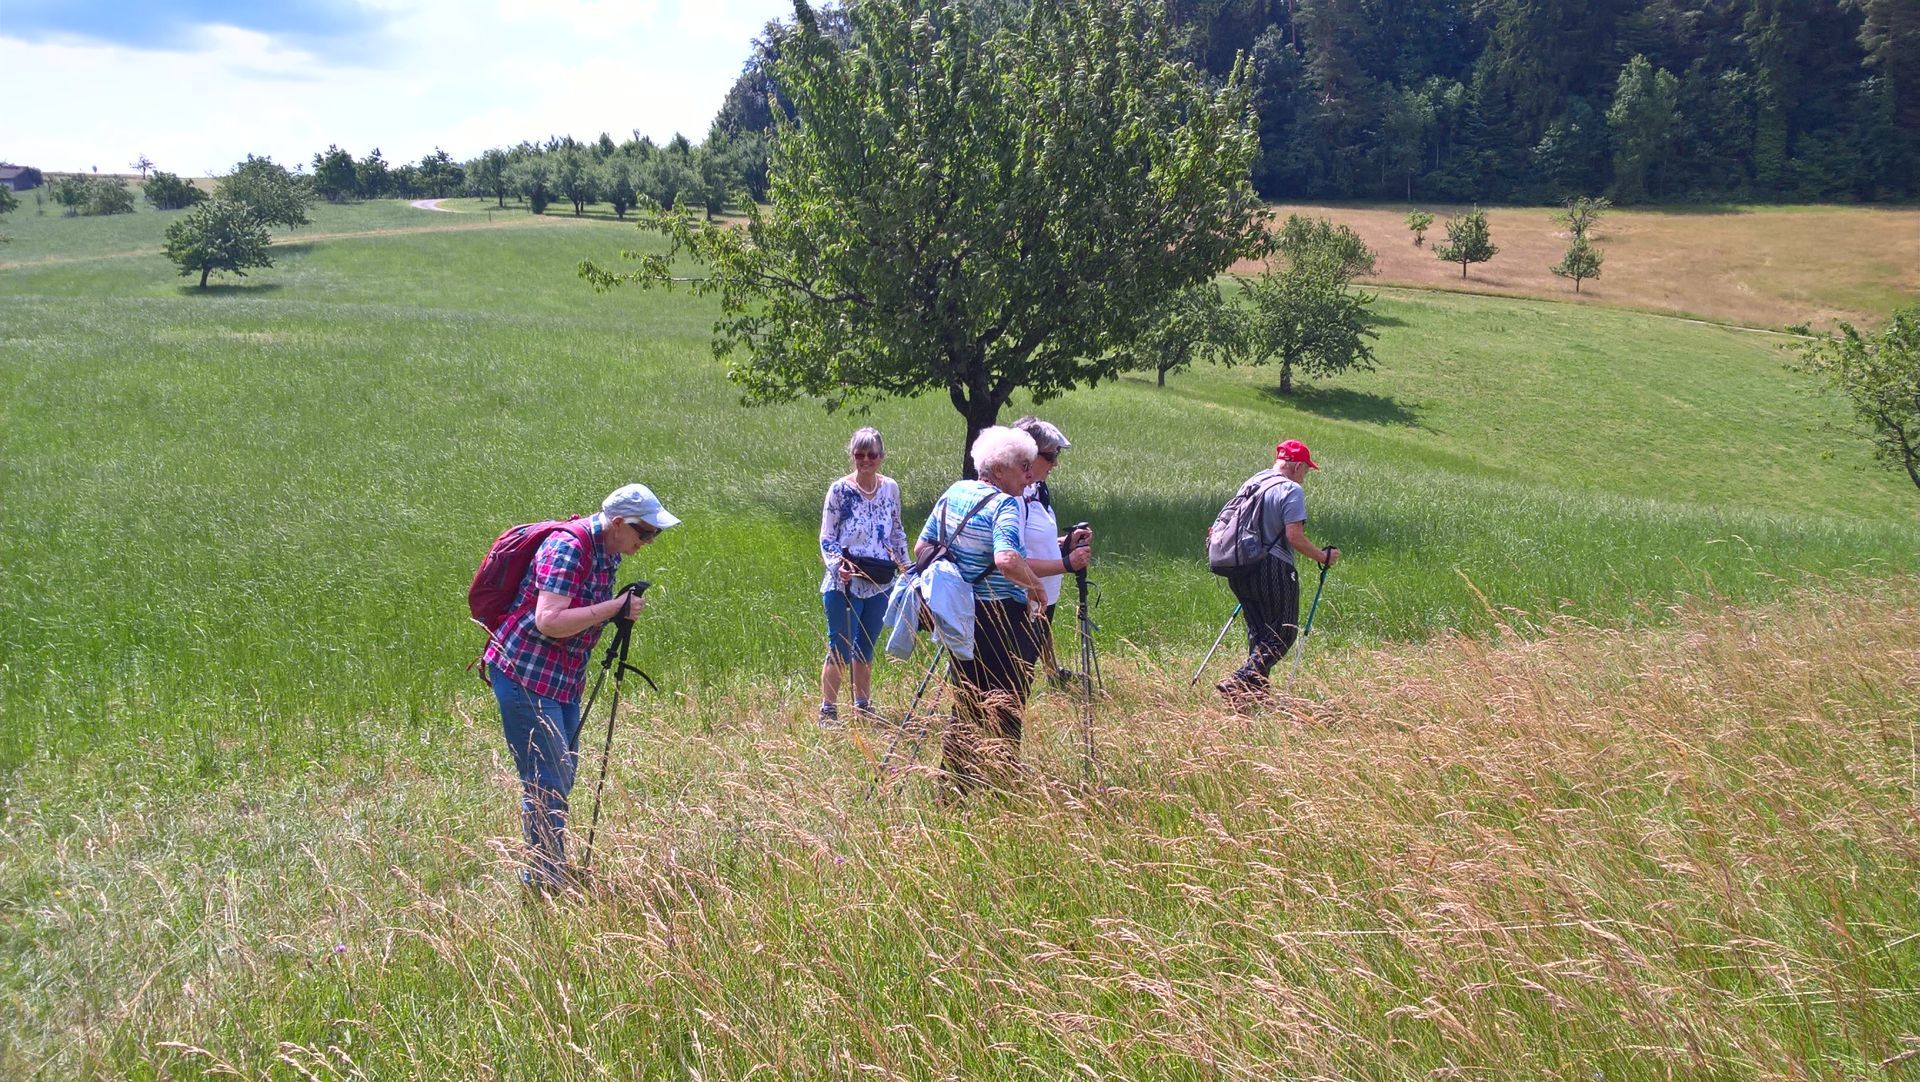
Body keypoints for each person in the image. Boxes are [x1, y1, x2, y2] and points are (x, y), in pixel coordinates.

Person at [483, 483, 679, 891]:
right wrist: (614, 608)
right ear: (619, 523)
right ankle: (544, 880)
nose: (648, 541)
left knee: (561, 773)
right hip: (525, 674)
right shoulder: (569, 548)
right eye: (645, 532)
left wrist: (614, 608)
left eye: (654, 534)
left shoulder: (608, 551)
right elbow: (549, 621)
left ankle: (548, 867)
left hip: (562, 678)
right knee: (547, 779)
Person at [914, 426, 1050, 794]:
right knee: (1006, 703)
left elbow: (922, 548)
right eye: (1024, 466)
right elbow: (1006, 559)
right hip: (1000, 618)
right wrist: (1035, 586)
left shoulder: (955, 491)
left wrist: (960, 577)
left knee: (966, 702)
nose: (1029, 475)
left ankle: (953, 789)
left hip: (960, 617)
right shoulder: (1005, 504)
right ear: (1000, 467)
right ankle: (1002, 785)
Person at [1216, 439, 1338, 702]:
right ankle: (1238, 680)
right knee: (1284, 633)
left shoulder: (1253, 482)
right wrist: (1323, 556)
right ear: (1296, 466)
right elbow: (1294, 537)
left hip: (1240, 567)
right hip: (1273, 568)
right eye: (1306, 470)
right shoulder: (1291, 490)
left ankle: (1252, 698)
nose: (1305, 476)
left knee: (1261, 635)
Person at [817, 427, 908, 725]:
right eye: (859, 454)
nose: (865, 460)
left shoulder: (890, 488)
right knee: (840, 645)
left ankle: (863, 706)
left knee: (866, 644)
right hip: (845, 581)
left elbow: (896, 531)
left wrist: (908, 568)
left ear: (881, 456)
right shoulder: (839, 490)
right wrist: (837, 566)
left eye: (871, 454)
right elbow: (827, 536)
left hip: (880, 581)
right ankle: (828, 711)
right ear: (852, 455)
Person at [1011, 416, 1091, 684]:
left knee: (1024, 674)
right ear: (1028, 454)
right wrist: (1067, 564)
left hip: (1043, 596)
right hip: (1022, 599)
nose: (1055, 463)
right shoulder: (1015, 498)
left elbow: (1035, 544)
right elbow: (1011, 559)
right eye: (1051, 455)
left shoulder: (1036, 490)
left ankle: (1053, 674)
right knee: (1017, 677)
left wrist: (1065, 543)